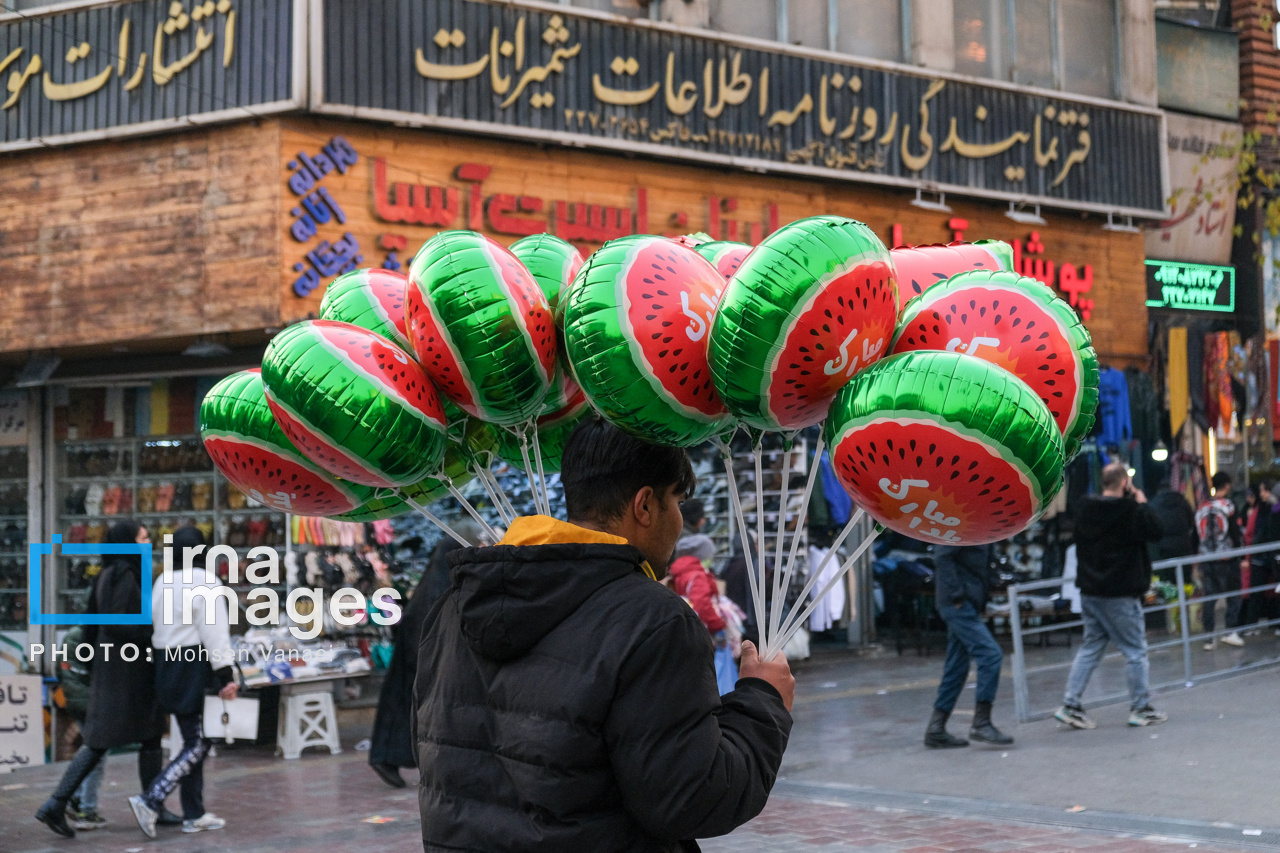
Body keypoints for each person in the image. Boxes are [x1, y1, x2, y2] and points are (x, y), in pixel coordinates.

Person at [414, 418, 795, 852]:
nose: (679, 521)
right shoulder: (653, 619)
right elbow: (690, 800)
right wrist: (763, 702)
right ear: (645, 505)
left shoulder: (452, 607)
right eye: (677, 502)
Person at [35, 521, 172, 838]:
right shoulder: (125, 574)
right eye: (142, 537)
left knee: (125, 738)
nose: (147, 541)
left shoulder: (108, 573)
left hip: (113, 672)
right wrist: (153, 631)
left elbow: (91, 627)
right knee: (115, 739)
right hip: (128, 674)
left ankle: (58, 805)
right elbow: (119, 624)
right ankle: (57, 804)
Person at [128, 525, 238, 837]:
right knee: (199, 742)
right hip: (193, 665)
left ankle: (194, 812)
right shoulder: (205, 582)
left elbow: (153, 625)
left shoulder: (162, 581)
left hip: (167, 664)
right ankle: (151, 798)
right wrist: (225, 675)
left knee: (192, 737)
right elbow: (214, 633)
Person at [368, 519, 484, 788]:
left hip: (416, 649)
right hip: (421, 653)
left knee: (405, 706)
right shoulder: (445, 578)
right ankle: (391, 758)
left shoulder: (437, 577)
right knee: (416, 709)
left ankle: (388, 757)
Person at [1055, 463, 1167, 729]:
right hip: (1120, 592)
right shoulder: (1130, 511)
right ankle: (1140, 707)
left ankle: (1071, 704)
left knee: (1091, 647)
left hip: (1091, 591)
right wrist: (1142, 503)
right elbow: (1157, 531)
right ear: (1124, 483)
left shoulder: (1084, 509)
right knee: (1135, 651)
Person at [924, 544, 1013, 749]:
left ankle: (936, 729)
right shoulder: (959, 517)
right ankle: (981, 723)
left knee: (957, 666)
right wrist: (956, 595)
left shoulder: (980, 521)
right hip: (958, 602)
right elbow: (942, 557)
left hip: (967, 601)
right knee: (990, 655)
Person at [54, 625, 108, 831]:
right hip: (91, 704)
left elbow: (60, 668)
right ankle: (87, 810)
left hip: (74, 701)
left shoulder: (71, 634)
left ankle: (74, 798)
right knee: (96, 757)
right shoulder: (93, 636)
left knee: (88, 752)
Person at [1195, 471, 1245, 648]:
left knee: (1210, 598)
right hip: (1227, 558)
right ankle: (1230, 630)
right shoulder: (1229, 506)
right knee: (1233, 594)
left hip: (1208, 559)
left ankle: (1208, 637)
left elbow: (1196, 534)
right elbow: (1235, 533)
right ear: (1227, 485)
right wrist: (1241, 555)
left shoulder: (1202, 506)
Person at [1147, 478, 1197, 563]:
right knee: (1185, 575)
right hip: (1183, 545)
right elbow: (1191, 520)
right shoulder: (1182, 500)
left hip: (1163, 548)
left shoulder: (1153, 504)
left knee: (1167, 574)